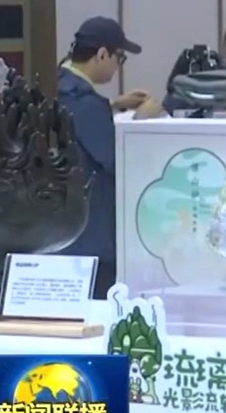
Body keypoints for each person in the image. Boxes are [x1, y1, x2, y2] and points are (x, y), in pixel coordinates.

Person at [56, 16, 153, 298]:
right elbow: (115, 160)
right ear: (101, 54)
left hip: (56, 230)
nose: (118, 65)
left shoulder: (56, 85)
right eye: (119, 58)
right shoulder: (86, 104)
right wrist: (142, 121)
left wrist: (111, 106)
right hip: (90, 239)